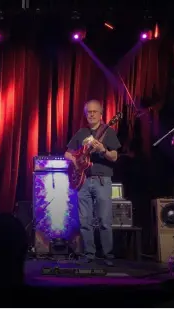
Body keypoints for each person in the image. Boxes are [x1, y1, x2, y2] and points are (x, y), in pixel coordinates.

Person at [64, 100, 121, 266]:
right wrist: (75, 161)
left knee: (104, 220)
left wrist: (102, 149)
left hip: (102, 180)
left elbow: (115, 157)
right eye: (89, 111)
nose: (91, 114)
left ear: (101, 115)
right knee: (85, 220)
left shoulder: (109, 132)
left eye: (95, 111)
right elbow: (67, 153)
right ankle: (89, 254)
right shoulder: (81, 132)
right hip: (83, 180)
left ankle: (108, 256)